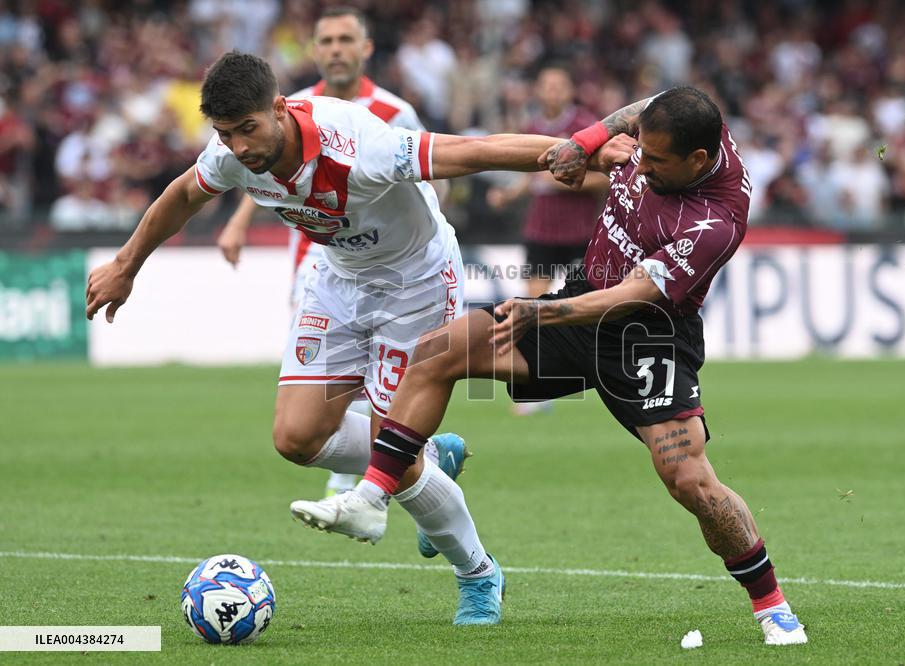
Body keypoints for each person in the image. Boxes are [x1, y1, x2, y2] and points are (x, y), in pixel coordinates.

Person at [85, 51, 609, 625]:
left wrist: (572, 149)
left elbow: (468, 151)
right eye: (225, 134)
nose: (237, 147)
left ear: (280, 110)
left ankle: (477, 573)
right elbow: (184, 194)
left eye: (247, 129)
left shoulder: (357, 144)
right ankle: (431, 453)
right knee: (296, 437)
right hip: (337, 280)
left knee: (398, 461)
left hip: (417, 284)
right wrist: (126, 266)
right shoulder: (234, 155)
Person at [299, 87, 809, 645]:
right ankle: (372, 497)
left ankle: (772, 605)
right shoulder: (681, 127)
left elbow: (634, 294)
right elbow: (644, 108)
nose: (641, 161)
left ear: (697, 160)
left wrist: (542, 311)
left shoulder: (716, 221)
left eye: (656, 160)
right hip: (584, 295)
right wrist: (587, 141)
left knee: (690, 481)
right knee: (441, 350)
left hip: (646, 337)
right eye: (641, 148)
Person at [215, 6, 449, 505]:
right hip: (320, 258)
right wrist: (238, 222)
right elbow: (254, 171)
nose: (336, 50)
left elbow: (430, 169)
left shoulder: (392, 112)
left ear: (365, 49)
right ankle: (397, 466)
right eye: (326, 41)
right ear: (314, 50)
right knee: (324, 382)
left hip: (393, 261)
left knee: (376, 380)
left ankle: (376, 481)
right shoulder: (285, 109)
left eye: (346, 40)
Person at [487, 65, 608, 415]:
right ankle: (537, 390)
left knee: (590, 307)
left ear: (569, 90)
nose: (552, 92)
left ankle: (601, 373)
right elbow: (530, 178)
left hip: (581, 233)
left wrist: (563, 181)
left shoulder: (587, 126)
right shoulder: (534, 128)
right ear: (539, 90)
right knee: (532, 307)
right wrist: (509, 195)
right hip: (541, 231)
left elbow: (606, 178)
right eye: (547, 86)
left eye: (559, 85)